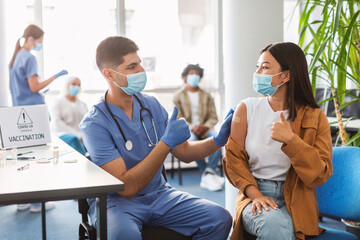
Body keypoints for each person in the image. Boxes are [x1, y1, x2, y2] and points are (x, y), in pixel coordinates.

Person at [79, 36, 233, 240]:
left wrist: (218, 141)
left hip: (160, 195)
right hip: (117, 203)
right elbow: (127, 188)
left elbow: (185, 152)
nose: (141, 71)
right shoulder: (94, 124)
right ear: (109, 74)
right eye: (132, 66)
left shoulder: (151, 106)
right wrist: (166, 143)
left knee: (219, 218)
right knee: (124, 236)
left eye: (140, 63)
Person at [223, 42, 333, 240]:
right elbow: (233, 160)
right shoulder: (246, 108)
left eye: (264, 67)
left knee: (284, 230)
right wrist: (255, 194)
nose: (257, 72)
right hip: (255, 193)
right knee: (275, 227)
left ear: (286, 76)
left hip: (299, 198)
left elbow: (320, 174)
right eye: (257, 66)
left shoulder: (315, 116)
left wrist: (291, 140)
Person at [9, 24, 68, 213]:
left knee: (23, 158)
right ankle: (36, 203)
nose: (40, 45)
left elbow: (23, 88)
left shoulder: (16, 57)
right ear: (31, 39)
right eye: (40, 41)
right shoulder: (29, 58)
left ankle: (23, 200)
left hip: (18, 113)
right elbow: (34, 87)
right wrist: (54, 77)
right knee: (36, 158)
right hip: (33, 114)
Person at [173, 64, 224, 191]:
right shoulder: (178, 96)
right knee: (192, 142)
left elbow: (213, 117)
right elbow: (178, 117)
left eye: (196, 74)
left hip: (205, 128)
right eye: (191, 74)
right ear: (185, 77)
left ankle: (209, 172)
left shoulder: (206, 95)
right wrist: (192, 127)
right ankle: (208, 174)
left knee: (217, 139)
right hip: (189, 129)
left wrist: (205, 127)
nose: (194, 77)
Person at [50, 76, 88, 156]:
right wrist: (78, 135)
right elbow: (57, 122)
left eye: (78, 85)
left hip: (81, 136)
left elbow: (87, 123)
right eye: (73, 84)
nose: (76, 87)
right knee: (74, 139)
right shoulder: (58, 102)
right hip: (62, 134)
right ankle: (87, 164)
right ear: (67, 85)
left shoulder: (82, 104)